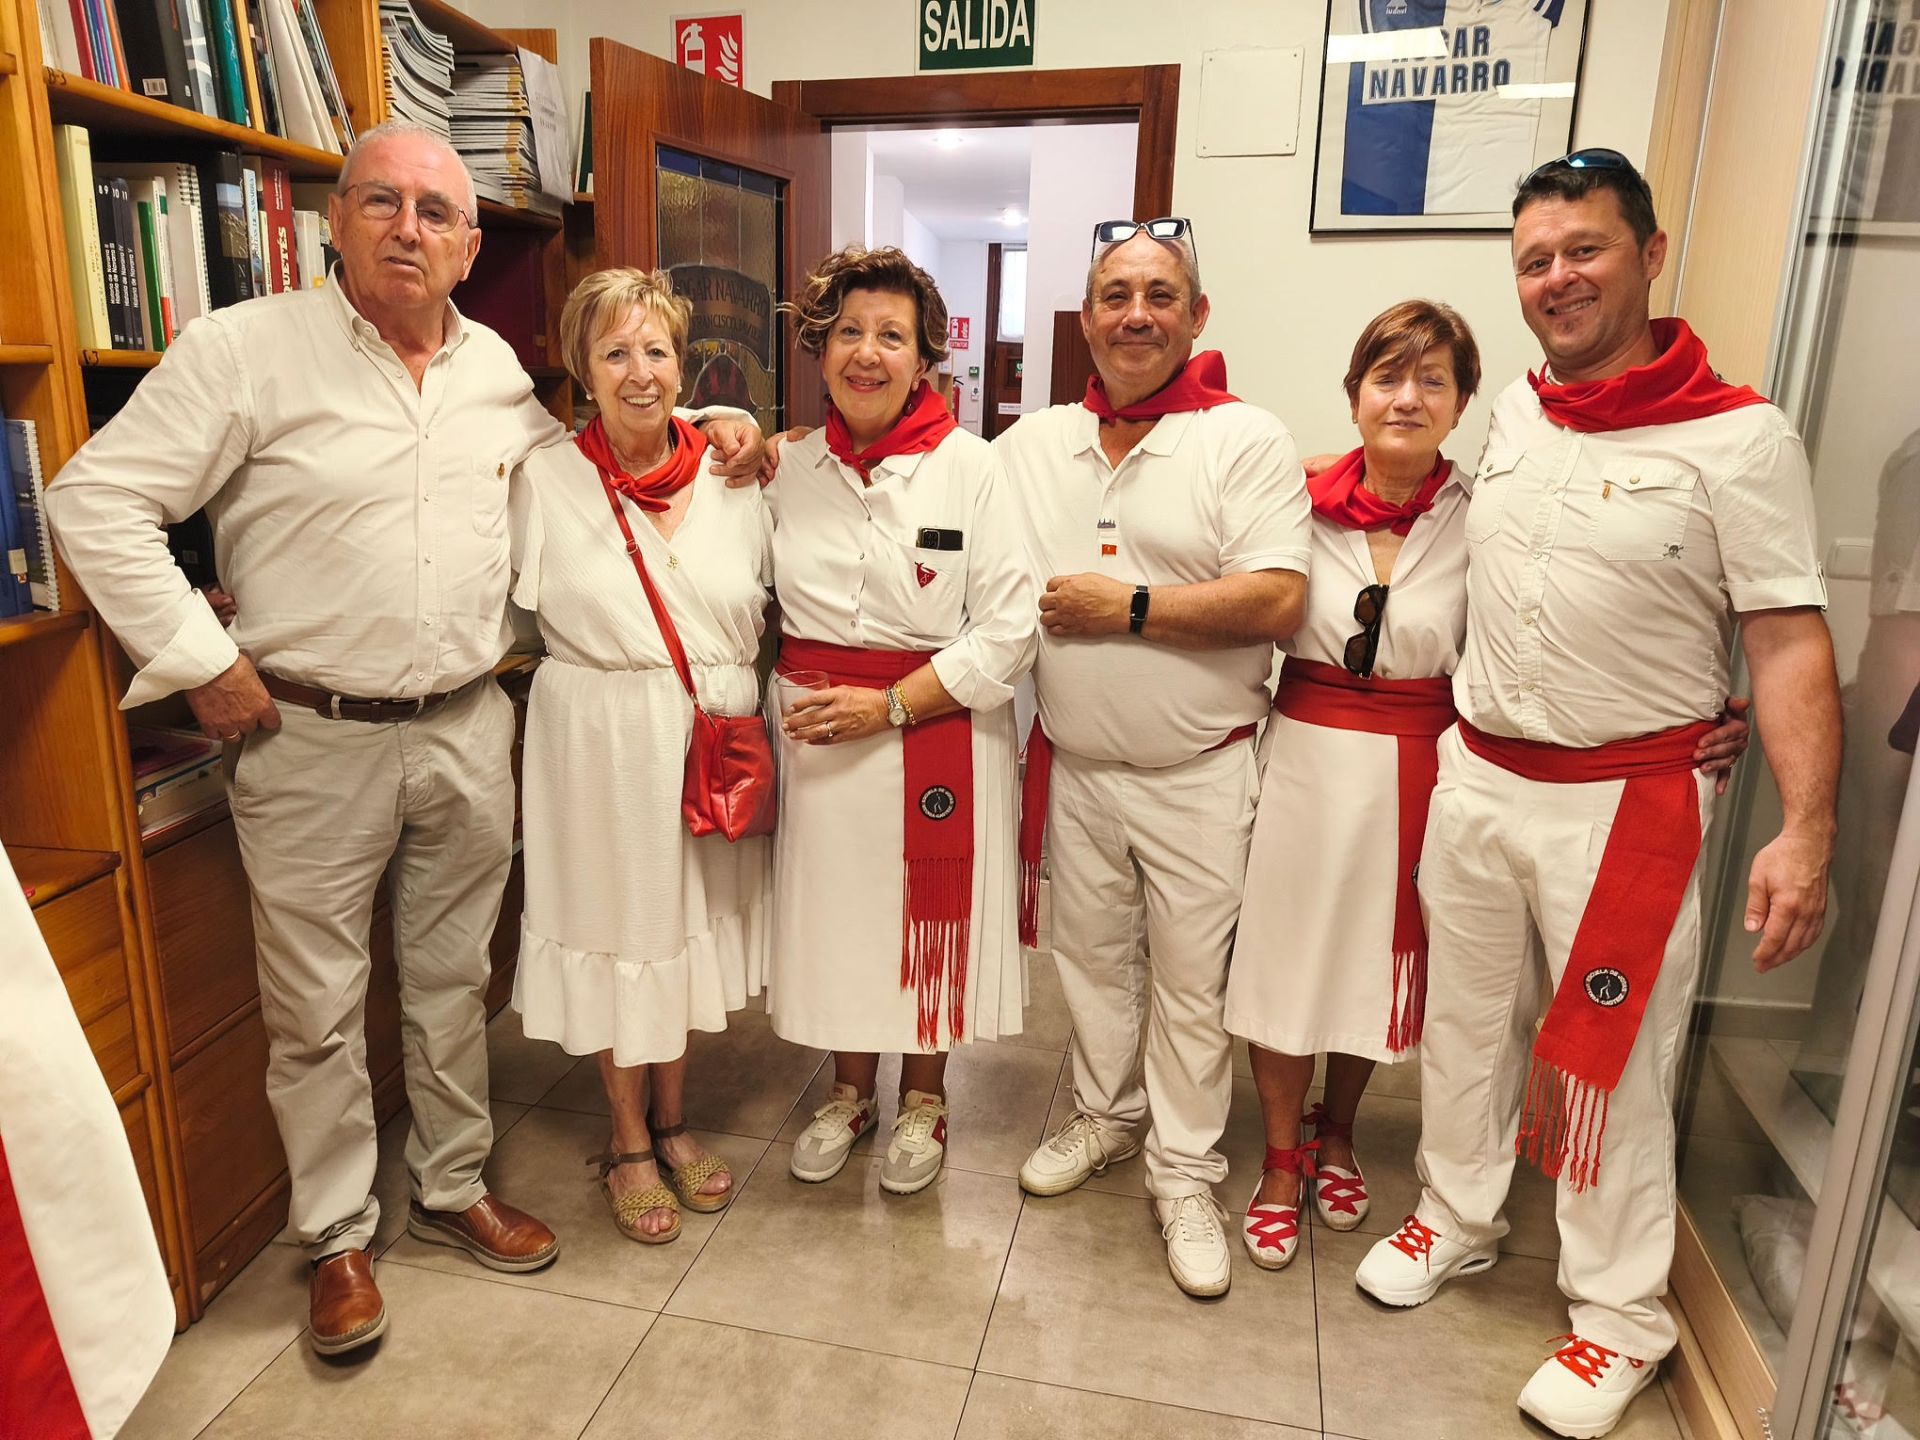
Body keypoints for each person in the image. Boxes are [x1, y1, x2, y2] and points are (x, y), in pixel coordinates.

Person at [45, 121, 762, 1354]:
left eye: (435, 213)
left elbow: (605, 463)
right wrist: (204, 659)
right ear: (336, 219)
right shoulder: (244, 351)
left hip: (470, 727)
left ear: (469, 242)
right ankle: (335, 1238)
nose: (407, 230)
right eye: (381, 203)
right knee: (317, 1006)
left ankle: (453, 1187)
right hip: (309, 732)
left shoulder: (495, 372)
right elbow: (92, 499)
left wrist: (716, 419)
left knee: (448, 985)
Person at [1353, 150, 1841, 1440]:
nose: (1558, 278)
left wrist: (1806, 826)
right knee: (1465, 1029)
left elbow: (1788, 638)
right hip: (1478, 780)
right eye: (1535, 259)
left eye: (1586, 250)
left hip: (1624, 809)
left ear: (1650, 253)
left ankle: (1619, 1316)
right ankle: (1455, 1217)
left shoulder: (1740, 436)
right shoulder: (1512, 412)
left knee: (1611, 1069)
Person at [1229, 303, 1749, 1275]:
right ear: (1353, 394)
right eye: (1387, 376)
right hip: (1306, 759)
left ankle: (1339, 1132)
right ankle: (1282, 1162)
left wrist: (1695, 710)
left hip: (1430, 769)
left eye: (1433, 381)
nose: (1406, 397)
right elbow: (1229, 597)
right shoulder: (1291, 501)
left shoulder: (1488, 515)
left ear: (1464, 402)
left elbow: (1576, 621)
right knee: (1285, 968)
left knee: (1375, 971)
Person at [1003, 218, 1311, 1298]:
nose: (1137, 314)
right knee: (1089, 967)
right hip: (1079, 769)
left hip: (1201, 774)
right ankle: (1107, 1117)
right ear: (1086, 318)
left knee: (1190, 986)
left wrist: (1129, 606)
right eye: (1116, 295)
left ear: (1197, 316)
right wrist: (737, 434)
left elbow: (1278, 598)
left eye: (1161, 295)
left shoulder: (1246, 441)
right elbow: (927, 481)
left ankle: (1185, 1173)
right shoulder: (1032, 446)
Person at [508, 268, 771, 1243]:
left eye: (655, 349)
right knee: (619, 929)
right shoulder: (544, 478)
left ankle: (673, 1118)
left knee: (677, 927)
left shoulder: (735, 471)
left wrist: (733, 420)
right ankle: (626, 1139)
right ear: (581, 365)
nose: (639, 372)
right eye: (614, 352)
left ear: (682, 361)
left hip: (702, 733)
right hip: (599, 738)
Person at [767, 245, 1036, 1198]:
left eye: (892, 335)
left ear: (927, 355)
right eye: (848, 333)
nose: (867, 354)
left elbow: (1009, 631)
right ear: (820, 348)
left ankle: (924, 1095)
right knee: (843, 921)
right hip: (817, 740)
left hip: (931, 730)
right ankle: (850, 1092)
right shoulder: (787, 465)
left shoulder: (974, 470)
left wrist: (887, 706)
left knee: (927, 924)